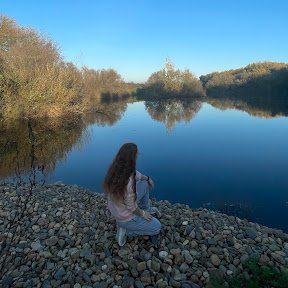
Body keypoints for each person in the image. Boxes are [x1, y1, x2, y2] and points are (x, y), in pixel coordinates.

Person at [103, 143, 161, 246]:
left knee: (143, 183)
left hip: (117, 208)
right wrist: (142, 214)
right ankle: (126, 231)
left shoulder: (117, 168)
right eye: (136, 154)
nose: (138, 155)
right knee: (157, 227)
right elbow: (131, 207)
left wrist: (148, 179)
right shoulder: (128, 182)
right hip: (125, 216)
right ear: (132, 157)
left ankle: (145, 208)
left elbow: (136, 174)